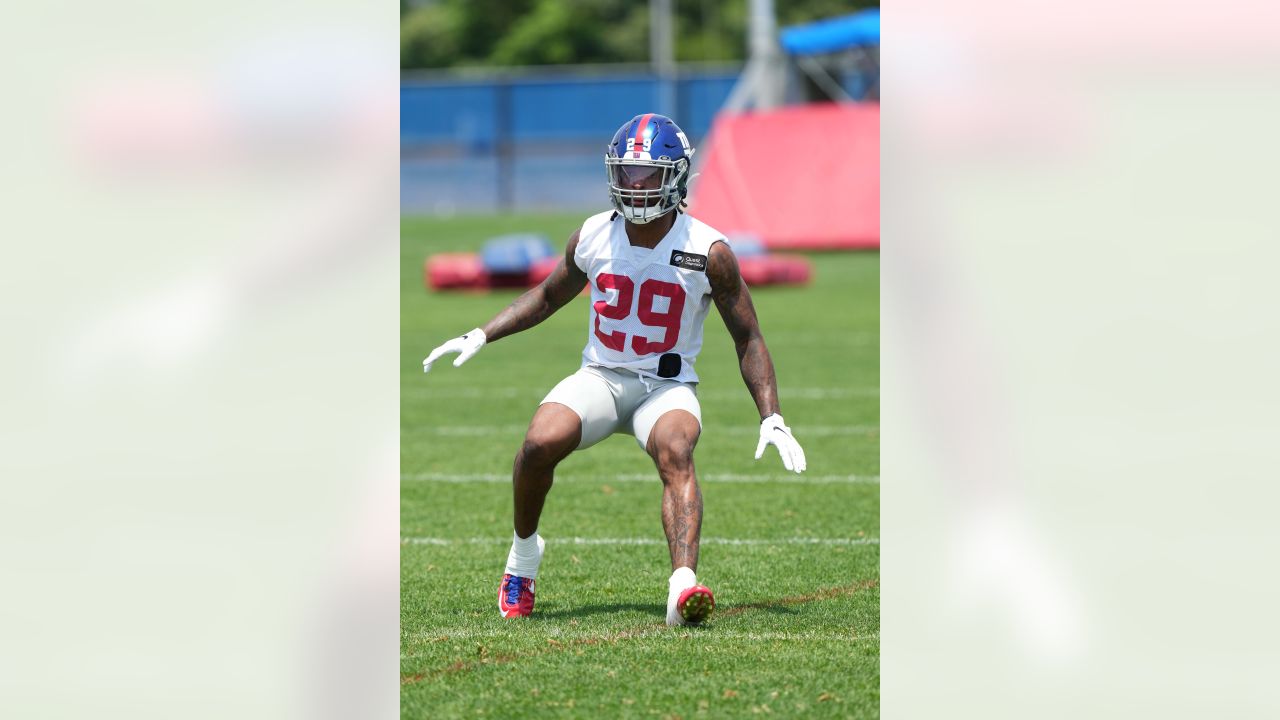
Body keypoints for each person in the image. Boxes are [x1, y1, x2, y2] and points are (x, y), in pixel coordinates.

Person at [422, 113, 806, 626]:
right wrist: (482, 332)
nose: (635, 186)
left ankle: (682, 587)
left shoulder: (708, 250)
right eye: (626, 174)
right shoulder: (592, 235)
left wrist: (771, 415)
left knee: (676, 449)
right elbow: (547, 295)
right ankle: (523, 560)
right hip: (602, 376)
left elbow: (748, 337)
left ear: (677, 176)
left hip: (667, 386)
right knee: (537, 445)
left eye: (648, 175)